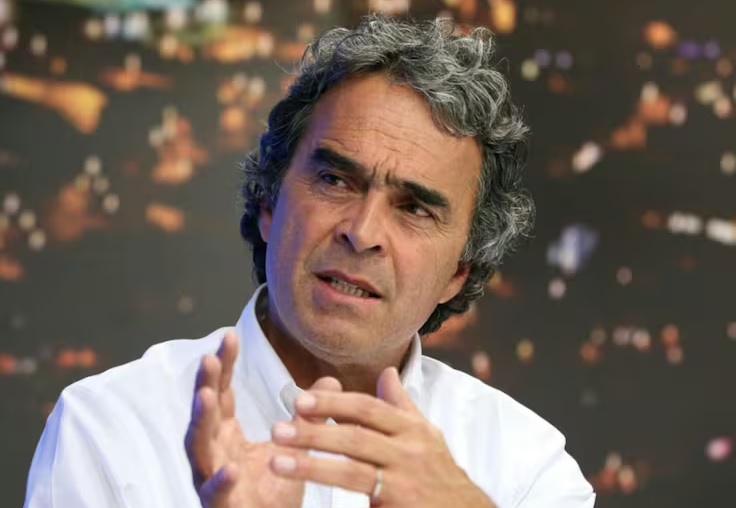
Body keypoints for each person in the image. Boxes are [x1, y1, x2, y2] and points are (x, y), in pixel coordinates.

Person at [24, 14, 595, 508]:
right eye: (335, 180)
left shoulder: (525, 469)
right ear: (268, 203)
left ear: (459, 272)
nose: (361, 233)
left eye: (415, 209)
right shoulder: (109, 428)